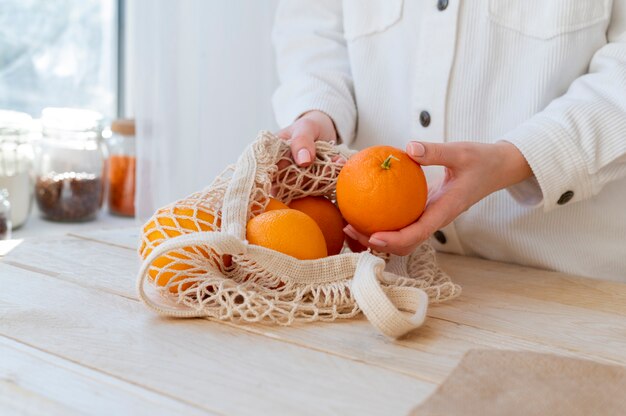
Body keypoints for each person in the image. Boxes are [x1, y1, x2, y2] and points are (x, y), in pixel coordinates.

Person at [272, 1, 626, 281]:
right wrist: (319, 109)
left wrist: (515, 159)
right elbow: (313, 26)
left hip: (570, 284)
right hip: (380, 277)